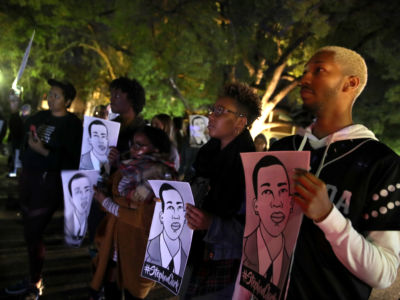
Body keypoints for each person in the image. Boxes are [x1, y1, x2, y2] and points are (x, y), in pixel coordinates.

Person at [264, 46, 400, 299]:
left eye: (319, 70)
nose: (304, 79)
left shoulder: (383, 164)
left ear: (350, 83)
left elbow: (385, 273)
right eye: (305, 72)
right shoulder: (283, 149)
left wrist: (328, 216)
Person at [182, 82, 261, 299]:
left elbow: (254, 232)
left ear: (240, 122)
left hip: (223, 266)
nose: (211, 116)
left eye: (219, 111)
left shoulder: (252, 169)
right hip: (193, 255)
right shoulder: (206, 155)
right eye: (212, 110)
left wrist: (211, 224)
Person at [5, 79, 82, 299]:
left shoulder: (72, 125)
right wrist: (14, 110)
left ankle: (34, 283)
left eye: (57, 95)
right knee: (29, 231)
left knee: (34, 230)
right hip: (29, 179)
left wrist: (44, 151)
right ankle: (32, 278)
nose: (50, 97)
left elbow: (71, 160)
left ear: (67, 101)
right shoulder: (40, 117)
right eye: (50, 94)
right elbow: (20, 132)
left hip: (49, 184)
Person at [89, 126, 178, 300]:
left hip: (137, 247)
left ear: (156, 149)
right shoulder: (128, 166)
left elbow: (143, 219)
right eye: (132, 144)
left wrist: (107, 203)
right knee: (110, 287)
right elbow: (115, 195)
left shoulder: (161, 175)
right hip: (114, 241)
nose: (133, 149)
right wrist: (110, 167)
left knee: (133, 293)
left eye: (140, 145)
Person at [241, 155, 293, 299]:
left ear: (290, 202)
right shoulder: (244, 252)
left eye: (282, 191)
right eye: (267, 192)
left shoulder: (293, 264)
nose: (277, 203)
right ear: (255, 205)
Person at [145, 183, 187, 277]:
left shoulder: (185, 259)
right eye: (170, 207)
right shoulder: (148, 253)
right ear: (161, 216)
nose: (176, 216)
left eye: (179, 207)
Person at [107, 77, 146, 165]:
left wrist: (119, 160)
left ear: (131, 100)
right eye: (111, 95)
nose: (111, 100)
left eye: (116, 96)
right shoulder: (109, 126)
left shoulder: (143, 133)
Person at [64, 173, 93, 247]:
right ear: (71, 198)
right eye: (78, 192)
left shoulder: (95, 220)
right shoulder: (66, 222)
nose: (84, 196)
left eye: (87, 190)